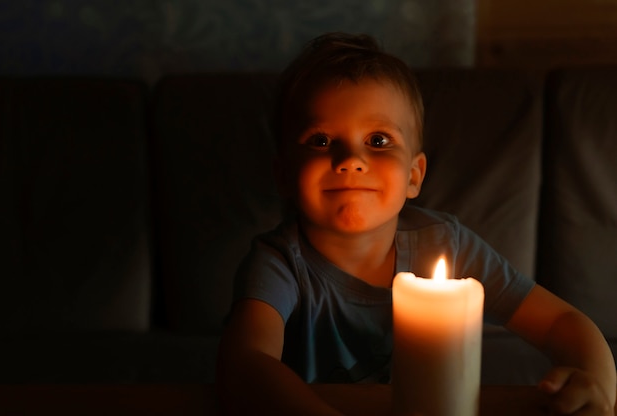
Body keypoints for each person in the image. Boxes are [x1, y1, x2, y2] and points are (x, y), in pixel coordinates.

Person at [216, 32, 616, 415]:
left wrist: (595, 390)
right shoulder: (281, 263)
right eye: (320, 140)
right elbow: (245, 363)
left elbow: (564, 323)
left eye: (378, 141)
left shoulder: (447, 243)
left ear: (413, 175)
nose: (350, 159)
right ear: (284, 174)